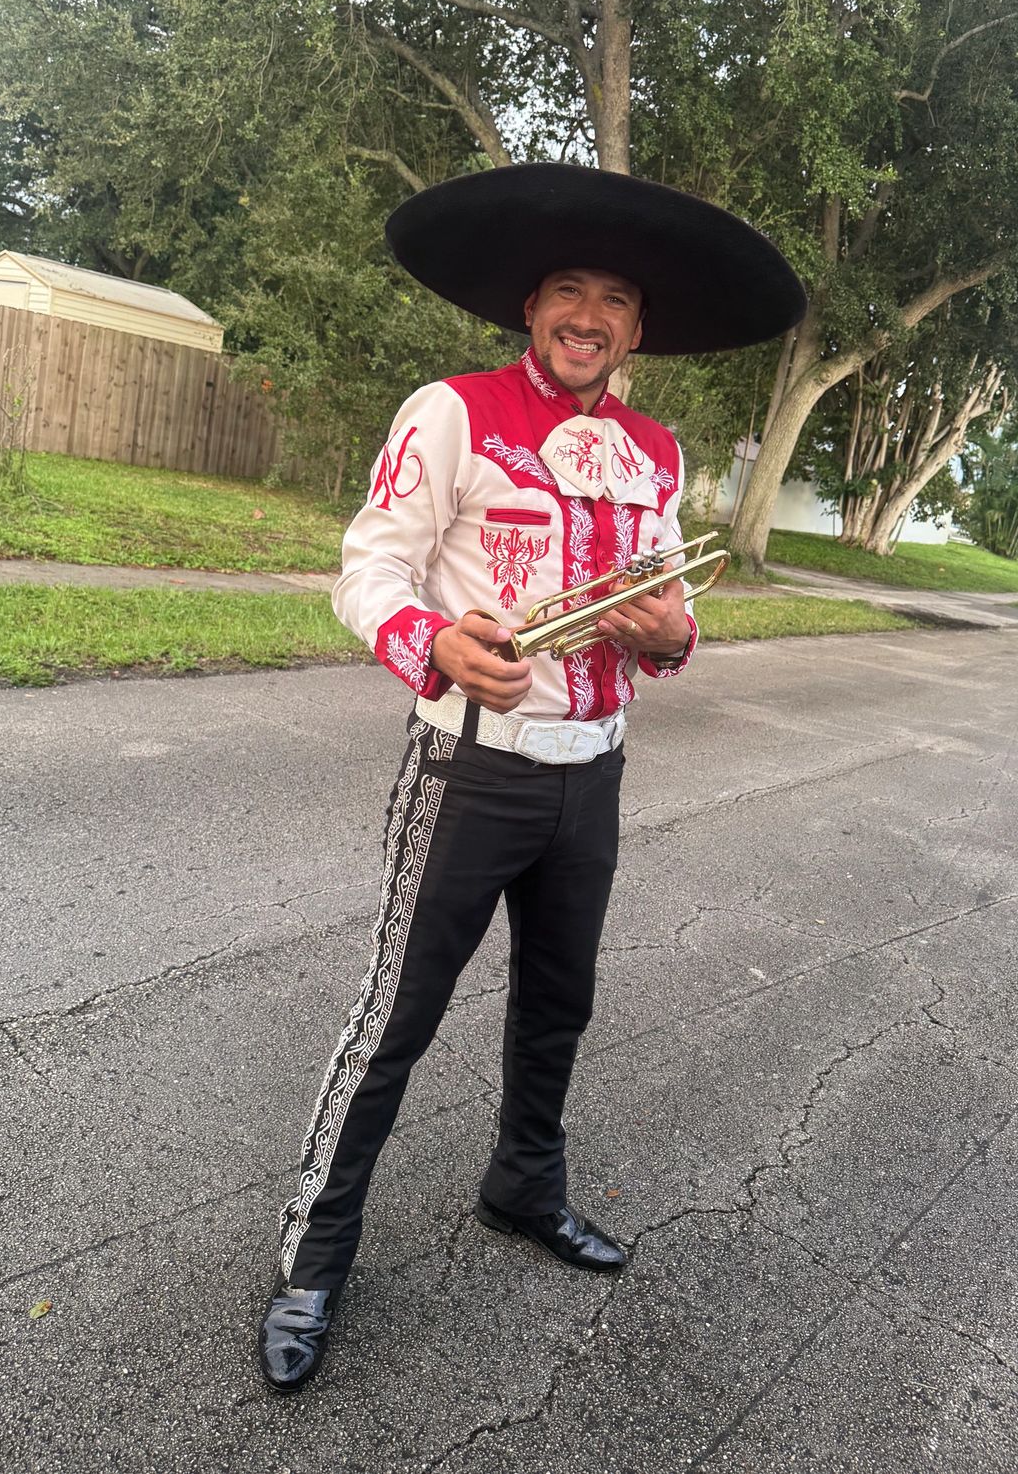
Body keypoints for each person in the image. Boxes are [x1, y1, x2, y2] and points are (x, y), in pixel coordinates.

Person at [257, 163, 805, 1393]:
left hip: (592, 775)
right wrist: (430, 645)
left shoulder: (655, 449)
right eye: (569, 288)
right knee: (392, 1021)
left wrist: (673, 639)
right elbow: (368, 571)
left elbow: (665, 606)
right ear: (532, 303)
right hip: (469, 767)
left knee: (558, 1005)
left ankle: (523, 1185)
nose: (589, 315)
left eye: (614, 298)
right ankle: (314, 1253)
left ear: (636, 328)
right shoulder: (452, 411)